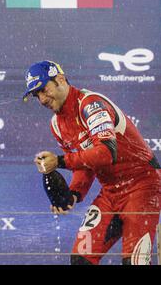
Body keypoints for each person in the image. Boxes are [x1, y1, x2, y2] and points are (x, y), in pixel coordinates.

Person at [24, 60, 161, 265]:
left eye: (44, 89)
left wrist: (59, 161)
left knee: (135, 263)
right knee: (81, 259)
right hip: (110, 193)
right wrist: (74, 193)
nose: (42, 99)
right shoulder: (57, 125)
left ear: (60, 79)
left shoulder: (90, 104)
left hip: (142, 186)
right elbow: (84, 165)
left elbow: (106, 152)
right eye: (37, 95)